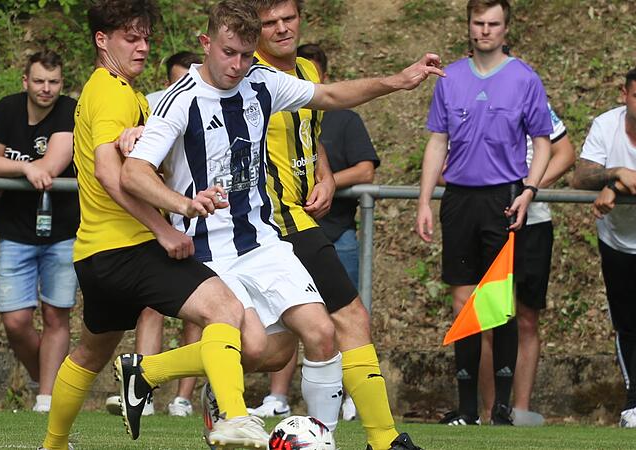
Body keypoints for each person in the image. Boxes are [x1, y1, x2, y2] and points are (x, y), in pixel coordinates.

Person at [120, 1, 441, 449]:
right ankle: (153, 371)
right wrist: (182, 203)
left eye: (247, 55)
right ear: (205, 43)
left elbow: (330, 97)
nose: (237, 65)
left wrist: (398, 81)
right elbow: (132, 173)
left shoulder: (263, 82)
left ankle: (324, 441)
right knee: (255, 350)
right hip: (210, 252)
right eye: (229, 52)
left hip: (264, 241)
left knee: (321, 333)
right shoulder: (178, 101)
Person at [39, 1, 271, 449]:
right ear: (102, 41)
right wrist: (166, 226)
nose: (142, 47)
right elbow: (110, 174)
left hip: (94, 254)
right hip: (130, 248)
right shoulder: (109, 91)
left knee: (90, 352)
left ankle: (53, 444)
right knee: (225, 310)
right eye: (131, 38)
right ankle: (234, 418)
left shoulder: (116, 91)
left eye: (146, 37)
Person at [248, 3, 413, 449]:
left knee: (279, 347)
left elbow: (313, 132)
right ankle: (383, 439)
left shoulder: (305, 69)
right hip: (273, 220)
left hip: (299, 217)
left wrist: (324, 175)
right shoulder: (248, 77)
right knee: (348, 318)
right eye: (269, 23)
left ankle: (162, 372)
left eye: (288, 18)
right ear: (254, 30)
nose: (282, 28)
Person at [415, 0, 552, 426]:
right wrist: (424, 201)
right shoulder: (450, 77)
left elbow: (543, 141)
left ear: (506, 29)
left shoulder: (524, 78)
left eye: (493, 24)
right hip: (458, 199)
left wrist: (529, 190)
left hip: (504, 198)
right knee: (463, 302)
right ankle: (468, 409)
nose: (485, 31)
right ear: (469, 26)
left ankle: (503, 408)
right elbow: (438, 140)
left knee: (499, 303)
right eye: (479, 23)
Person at [571, 66, 636, 428]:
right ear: (624, 94)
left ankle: (633, 406)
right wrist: (615, 173)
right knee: (626, 324)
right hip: (615, 241)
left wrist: (616, 187)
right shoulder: (605, 125)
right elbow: (580, 176)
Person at [0, 50, 79, 413]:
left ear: (61, 83)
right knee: (15, 320)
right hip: (15, 229)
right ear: (25, 81)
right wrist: (22, 170)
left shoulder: (69, 109)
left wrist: (19, 166)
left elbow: (53, 165)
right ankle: (47, 380)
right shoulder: (7, 109)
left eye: (53, 82)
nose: (46, 89)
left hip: (63, 229)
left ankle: (47, 398)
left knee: (56, 314)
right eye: (39, 81)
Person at [105, 50, 204, 419]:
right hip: (166, 221)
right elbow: (126, 153)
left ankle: (184, 397)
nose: (184, 87)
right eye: (177, 81)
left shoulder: (218, 104)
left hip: (208, 220)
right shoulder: (152, 107)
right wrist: (128, 136)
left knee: (203, 312)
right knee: (152, 306)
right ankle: (142, 391)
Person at [476, 101, 575, 426]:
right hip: (487, 222)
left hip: (534, 225)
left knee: (527, 318)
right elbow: (449, 161)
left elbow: (565, 153)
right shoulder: (466, 96)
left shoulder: (535, 101)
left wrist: (529, 189)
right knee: (489, 317)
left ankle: (518, 409)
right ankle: (491, 411)